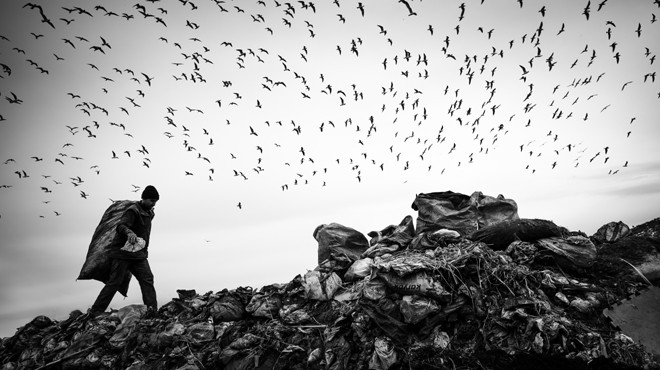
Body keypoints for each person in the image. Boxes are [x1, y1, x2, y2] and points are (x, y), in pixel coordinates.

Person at [89, 185, 160, 317]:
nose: (153, 204)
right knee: (115, 282)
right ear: (143, 199)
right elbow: (121, 226)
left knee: (147, 279)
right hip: (122, 253)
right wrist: (129, 232)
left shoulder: (150, 213)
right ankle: (96, 310)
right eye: (151, 201)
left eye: (155, 201)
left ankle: (152, 311)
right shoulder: (132, 211)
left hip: (138, 255)